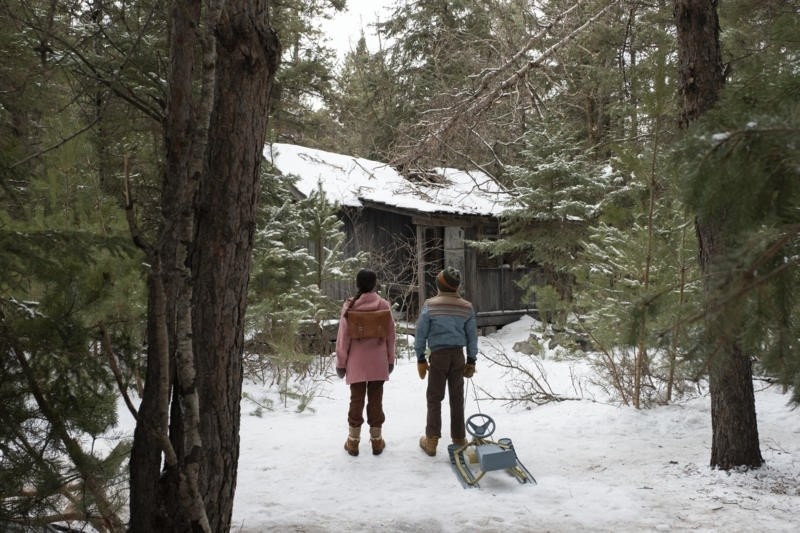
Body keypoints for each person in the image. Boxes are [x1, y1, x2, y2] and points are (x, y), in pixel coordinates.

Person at [415, 266, 478, 456]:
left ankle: (431, 441)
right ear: (456, 286)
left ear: (439, 285)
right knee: (457, 398)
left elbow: (421, 334)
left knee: (434, 397)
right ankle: (459, 438)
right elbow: (472, 337)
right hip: (458, 356)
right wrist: (471, 360)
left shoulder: (430, 305)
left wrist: (420, 358)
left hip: (438, 356)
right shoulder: (466, 307)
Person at [335, 269, 396, 456]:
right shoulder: (383, 305)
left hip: (357, 363)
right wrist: (390, 359)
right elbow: (391, 336)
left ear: (357, 284)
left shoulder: (350, 306)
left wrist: (341, 363)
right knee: (376, 400)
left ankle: (353, 441)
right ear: (375, 284)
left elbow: (343, 339)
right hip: (378, 362)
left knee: (356, 400)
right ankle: (377, 441)